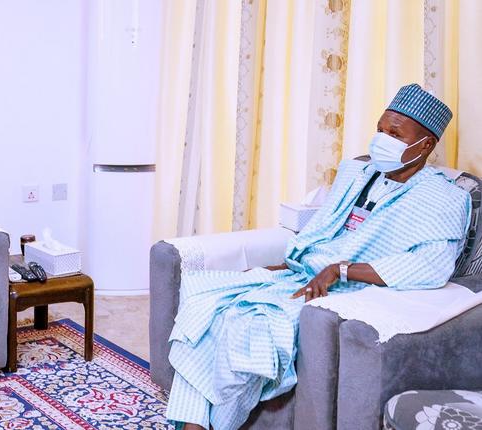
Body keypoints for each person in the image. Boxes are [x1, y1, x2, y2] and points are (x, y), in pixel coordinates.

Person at [165, 84, 472, 430]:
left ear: (425, 144)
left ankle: (199, 426)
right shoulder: (357, 173)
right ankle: (195, 424)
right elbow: (321, 234)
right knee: (204, 304)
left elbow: (431, 266)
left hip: (347, 293)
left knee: (249, 325)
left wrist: (341, 270)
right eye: (380, 130)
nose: (382, 140)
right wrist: (285, 265)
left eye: (395, 134)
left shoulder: (444, 198)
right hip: (304, 275)